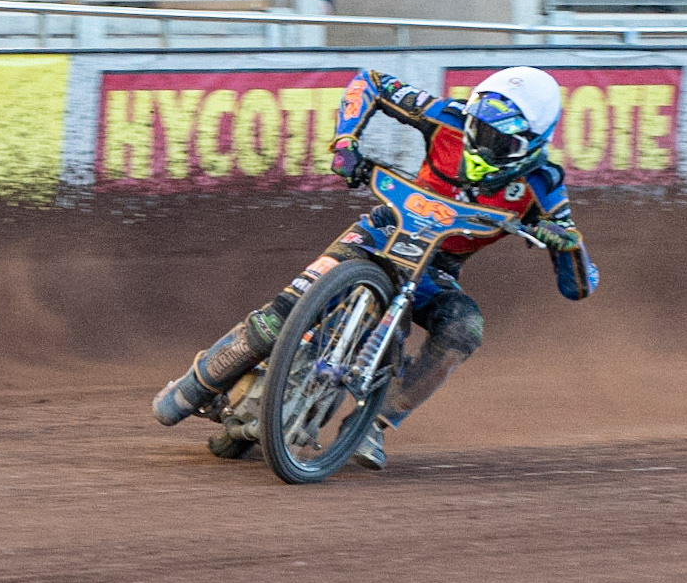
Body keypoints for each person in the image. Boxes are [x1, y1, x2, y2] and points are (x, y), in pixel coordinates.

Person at [151, 67, 599, 470]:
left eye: (498, 140)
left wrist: (567, 245)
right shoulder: (447, 117)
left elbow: (578, 286)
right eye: (478, 127)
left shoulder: (543, 186)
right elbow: (371, 82)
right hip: (382, 230)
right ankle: (197, 384)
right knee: (282, 314)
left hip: (436, 268)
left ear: (531, 144)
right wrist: (346, 142)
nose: (479, 141)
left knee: (465, 328)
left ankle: (375, 423)